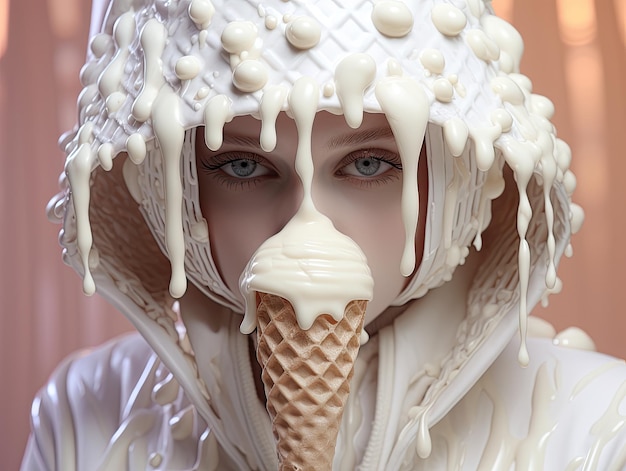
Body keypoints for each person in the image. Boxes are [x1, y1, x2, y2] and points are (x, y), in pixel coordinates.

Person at [21, 0, 626, 469]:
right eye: (242, 165)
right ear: (169, 188)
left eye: (368, 164)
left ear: (459, 182)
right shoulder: (82, 414)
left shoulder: (601, 425)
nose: (306, 225)